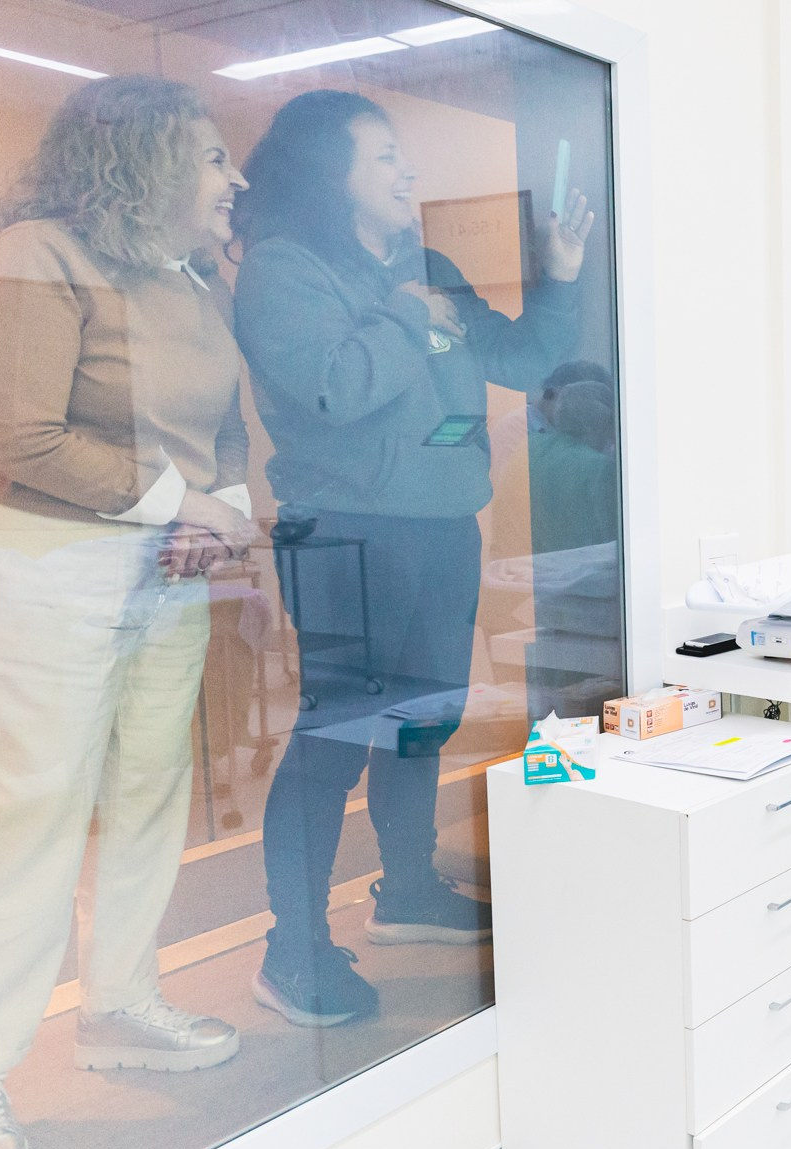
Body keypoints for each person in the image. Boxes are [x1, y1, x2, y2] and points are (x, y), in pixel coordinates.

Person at [0, 76, 257, 1149]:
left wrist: (221, 511)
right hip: (39, 560)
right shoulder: (38, 254)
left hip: (164, 566)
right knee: (29, 813)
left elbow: (225, 428)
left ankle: (118, 1004)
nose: (235, 179)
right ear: (141, 160)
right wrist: (183, 504)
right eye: (212, 157)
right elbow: (23, 436)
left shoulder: (192, 276)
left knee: (151, 788)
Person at [233, 91, 593, 1026]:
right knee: (336, 739)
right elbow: (334, 389)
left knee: (421, 721)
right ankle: (293, 947)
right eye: (385, 157)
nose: (409, 172)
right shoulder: (284, 269)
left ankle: (406, 890)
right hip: (347, 533)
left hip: (441, 523)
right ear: (331, 174)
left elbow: (522, 358)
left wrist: (558, 277)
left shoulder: (424, 263)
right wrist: (403, 316)